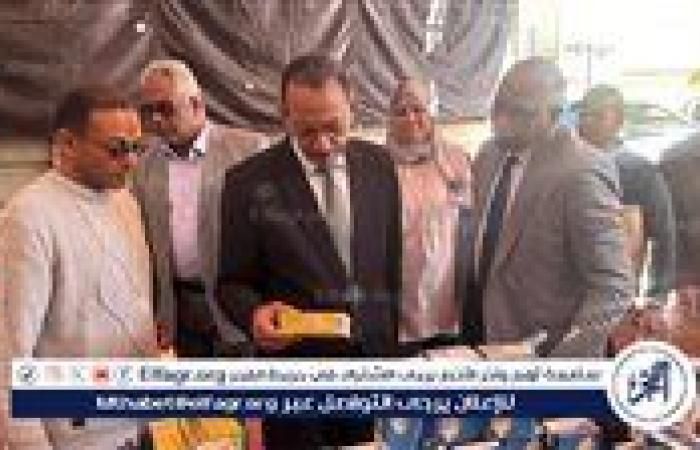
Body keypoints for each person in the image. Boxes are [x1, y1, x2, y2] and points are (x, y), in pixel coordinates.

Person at [217, 54, 401, 449]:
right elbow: (231, 282)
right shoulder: (247, 182)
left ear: (353, 108)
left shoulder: (380, 165)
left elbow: (389, 264)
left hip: (370, 363)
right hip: (295, 374)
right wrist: (253, 315)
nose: (322, 143)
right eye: (306, 131)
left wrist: (390, 349)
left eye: (334, 128)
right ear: (285, 117)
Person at [0, 84, 157, 449]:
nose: (131, 162)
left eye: (137, 148)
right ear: (67, 144)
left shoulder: (125, 202)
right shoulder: (29, 217)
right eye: (116, 149)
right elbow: (9, 351)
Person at [468, 58, 633, 358]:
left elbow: (613, 286)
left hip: (546, 354)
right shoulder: (488, 155)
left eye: (521, 111)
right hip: (484, 340)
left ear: (555, 114)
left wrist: (561, 363)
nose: (503, 119)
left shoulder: (582, 171)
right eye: (499, 105)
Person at [132, 59, 268, 358]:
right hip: (182, 308)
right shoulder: (144, 165)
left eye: (165, 108)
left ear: (196, 104)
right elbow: (146, 246)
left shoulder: (249, 150)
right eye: (148, 110)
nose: (156, 119)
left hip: (239, 304)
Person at [385, 76, 471, 345]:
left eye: (418, 109)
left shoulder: (456, 159)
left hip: (445, 289)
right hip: (398, 292)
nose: (411, 118)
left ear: (432, 113)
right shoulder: (378, 164)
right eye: (401, 111)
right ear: (390, 118)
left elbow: (470, 222)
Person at [578, 84, 676, 297]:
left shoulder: (639, 172)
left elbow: (664, 235)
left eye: (597, 116)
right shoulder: (566, 168)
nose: (586, 122)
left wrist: (657, 294)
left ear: (619, 121)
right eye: (583, 114)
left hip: (618, 294)